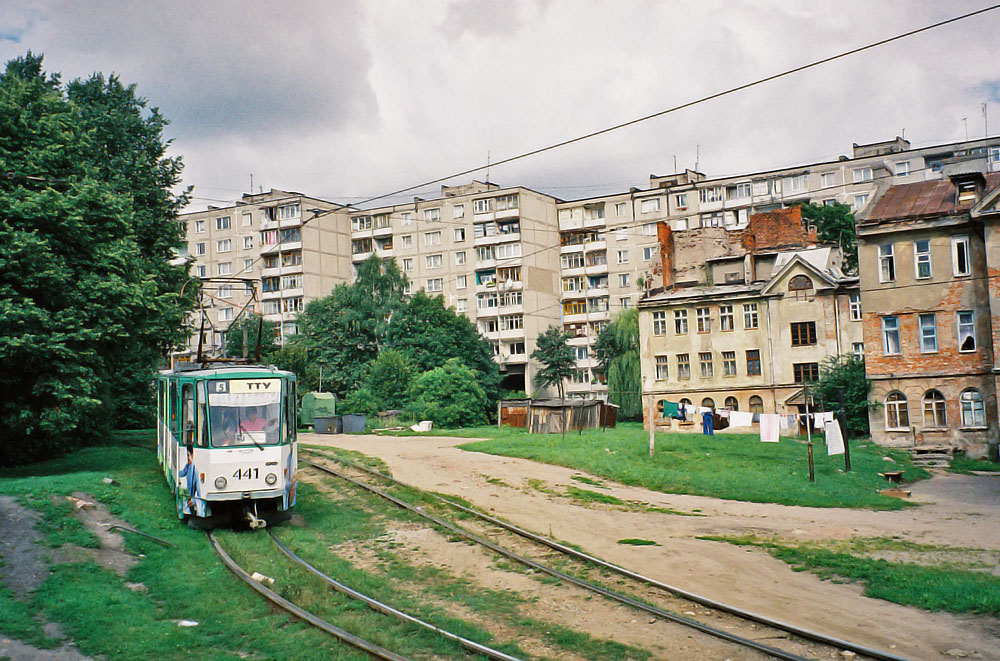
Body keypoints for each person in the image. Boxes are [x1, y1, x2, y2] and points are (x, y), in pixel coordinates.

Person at [177, 445, 202, 515]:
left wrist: (194, 500)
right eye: (186, 455)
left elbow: (199, 490)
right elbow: (182, 473)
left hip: (192, 497)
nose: (187, 458)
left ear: (193, 455)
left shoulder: (195, 469)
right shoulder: (188, 466)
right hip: (188, 494)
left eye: (188, 455)